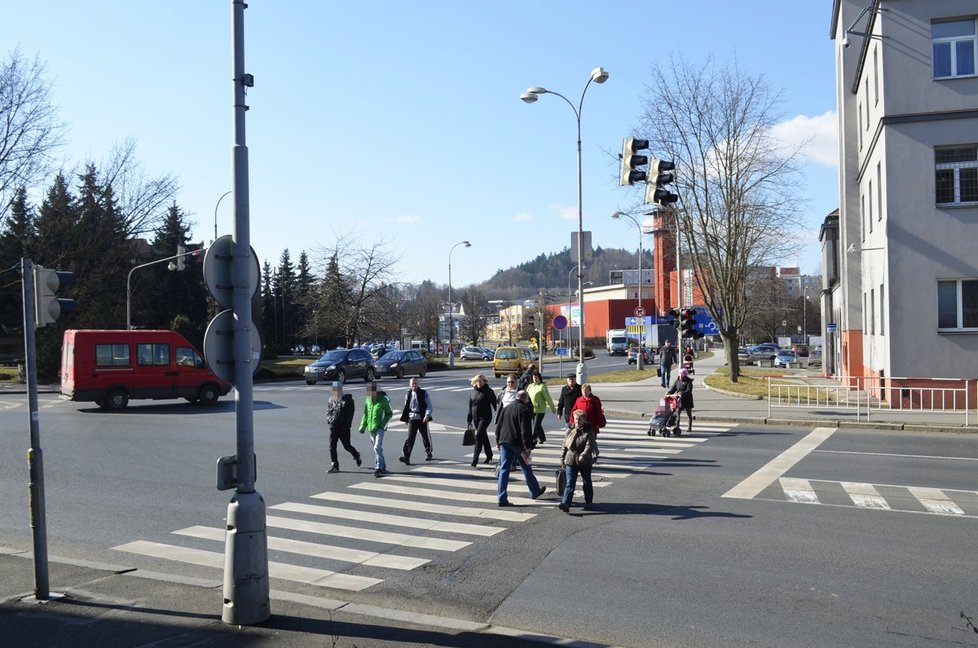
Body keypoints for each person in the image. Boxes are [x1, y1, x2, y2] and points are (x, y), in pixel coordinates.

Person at [494, 390, 546, 506]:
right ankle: (534, 491)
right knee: (526, 467)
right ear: (525, 399)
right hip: (517, 444)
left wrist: (498, 441)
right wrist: (527, 446)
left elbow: (499, 425)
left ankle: (501, 497)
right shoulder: (525, 410)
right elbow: (525, 431)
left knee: (504, 469)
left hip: (504, 441)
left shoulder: (506, 408)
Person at [559, 409, 598, 513]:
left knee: (586, 481)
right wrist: (562, 458)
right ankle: (566, 503)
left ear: (584, 420)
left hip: (584, 460)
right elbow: (565, 445)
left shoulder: (589, 432)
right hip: (571, 458)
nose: (577, 421)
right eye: (576, 419)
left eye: (580, 419)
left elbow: (589, 445)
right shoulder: (570, 430)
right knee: (570, 482)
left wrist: (584, 454)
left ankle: (588, 502)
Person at [325, 382, 362, 473]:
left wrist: (345, 426)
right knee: (332, 446)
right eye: (334, 389)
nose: (336, 391)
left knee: (347, 446)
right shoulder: (331, 399)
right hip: (333, 427)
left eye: (338, 389)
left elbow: (350, 415)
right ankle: (335, 465)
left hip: (343, 428)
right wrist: (329, 421)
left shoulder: (348, 400)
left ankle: (356, 455)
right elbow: (328, 411)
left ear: (341, 389)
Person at [359, 381, 393, 477]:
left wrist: (383, 425)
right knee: (377, 449)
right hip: (371, 427)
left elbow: (389, 414)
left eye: (373, 391)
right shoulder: (368, 400)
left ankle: (378, 468)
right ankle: (383, 466)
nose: (371, 393)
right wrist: (362, 426)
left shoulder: (384, 399)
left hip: (380, 427)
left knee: (377, 447)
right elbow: (366, 413)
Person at [399, 377, 433, 465]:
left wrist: (427, 415)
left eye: (415, 383)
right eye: (412, 384)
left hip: (422, 418)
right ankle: (407, 457)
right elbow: (406, 406)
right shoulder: (408, 394)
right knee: (410, 438)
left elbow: (429, 405)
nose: (414, 385)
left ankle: (428, 452)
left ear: (418, 384)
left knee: (425, 437)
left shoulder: (423, 393)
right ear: (410, 385)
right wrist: (406, 419)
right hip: (412, 418)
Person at [467, 374, 497, 467]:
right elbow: (470, 406)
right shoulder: (473, 391)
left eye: (480, 381)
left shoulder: (489, 391)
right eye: (477, 381)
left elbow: (495, 405)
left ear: (484, 382)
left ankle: (475, 459)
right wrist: (469, 420)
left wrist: (500, 415)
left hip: (485, 417)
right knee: (483, 436)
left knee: (479, 435)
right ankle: (489, 455)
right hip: (475, 418)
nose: (479, 383)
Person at [525, 371, 556, 444]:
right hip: (531, 409)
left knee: (536, 425)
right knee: (537, 425)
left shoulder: (542, 386)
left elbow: (548, 398)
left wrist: (553, 408)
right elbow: (525, 395)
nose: (535, 379)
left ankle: (533, 439)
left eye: (536, 377)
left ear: (539, 378)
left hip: (540, 409)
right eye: (533, 377)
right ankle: (542, 438)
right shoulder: (530, 386)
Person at [667, 367, 695, 433]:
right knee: (677, 414)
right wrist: (669, 393)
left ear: (684, 375)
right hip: (679, 400)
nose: (680, 376)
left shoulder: (688, 381)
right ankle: (677, 427)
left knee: (689, 414)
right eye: (680, 374)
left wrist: (682, 393)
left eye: (681, 374)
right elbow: (673, 389)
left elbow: (689, 390)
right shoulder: (677, 381)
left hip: (687, 399)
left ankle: (689, 427)